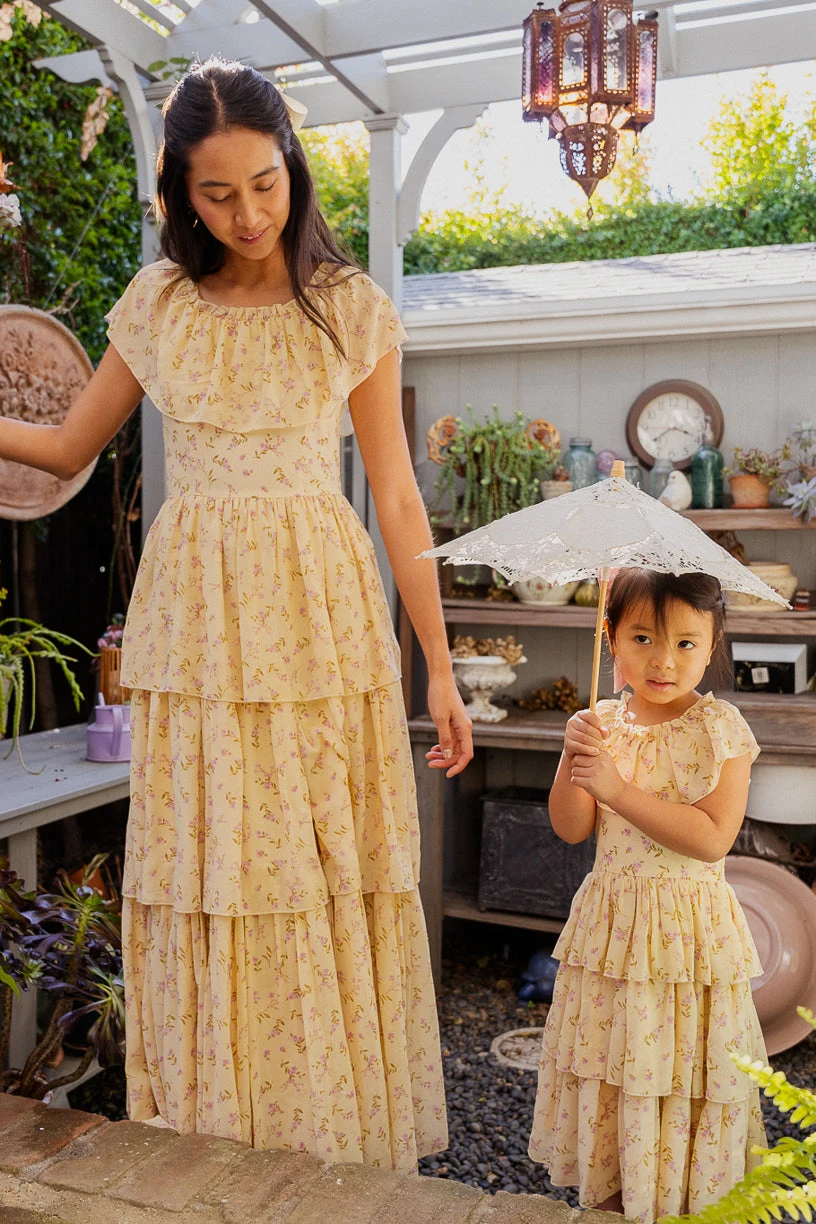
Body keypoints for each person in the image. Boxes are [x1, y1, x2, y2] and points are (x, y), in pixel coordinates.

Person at [0, 58, 472, 1169]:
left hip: (318, 611)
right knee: (214, 864)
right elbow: (65, 449)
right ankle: (219, 1145)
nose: (249, 213)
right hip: (200, 617)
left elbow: (398, 495)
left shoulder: (347, 307)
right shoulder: (160, 305)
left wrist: (441, 668)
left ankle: (330, 1139)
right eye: (217, 194)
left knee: (321, 861)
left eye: (264, 183)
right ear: (180, 193)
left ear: (292, 168)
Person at [528, 568, 766, 1223]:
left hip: (687, 942)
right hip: (614, 934)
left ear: (711, 646)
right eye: (643, 639)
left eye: (686, 643)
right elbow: (571, 826)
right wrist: (576, 757)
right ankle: (613, 1200)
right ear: (610, 639)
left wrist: (618, 788)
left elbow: (712, 838)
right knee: (611, 1072)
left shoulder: (720, 729)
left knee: (679, 1076)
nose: (664, 660)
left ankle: (680, 1204)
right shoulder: (599, 721)